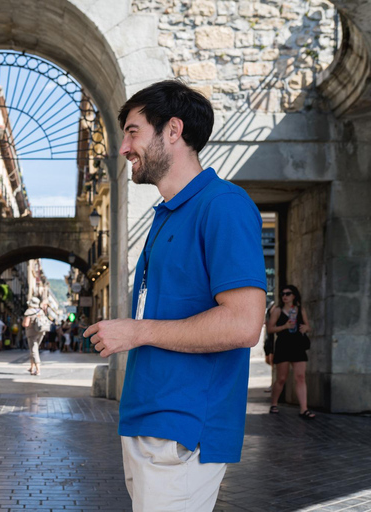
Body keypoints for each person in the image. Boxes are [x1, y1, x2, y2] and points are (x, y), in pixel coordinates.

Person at [83, 80, 266, 511]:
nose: (124, 147)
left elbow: (244, 323)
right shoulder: (167, 215)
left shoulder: (224, 206)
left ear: (173, 131)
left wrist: (136, 332)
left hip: (183, 434)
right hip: (150, 426)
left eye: (132, 131)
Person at [268, 285, 314, 419]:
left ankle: (304, 409)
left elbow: (308, 326)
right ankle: (274, 404)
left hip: (298, 345)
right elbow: (270, 329)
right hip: (283, 345)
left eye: (288, 293)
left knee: (300, 377)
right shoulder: (277, 310)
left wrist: (306, 328)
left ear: (294, 295)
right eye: (282, 294)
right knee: (281, 378)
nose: (285, 296)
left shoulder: (300, 310)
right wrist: (285, 326)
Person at [23, 297, 45, 376]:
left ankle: (38, 369)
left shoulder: (28, 311)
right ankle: (32, 368)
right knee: (34, 349)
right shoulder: (41, 311)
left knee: (34, 350)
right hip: (41, 332)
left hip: (32, 333)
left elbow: (25, 324)